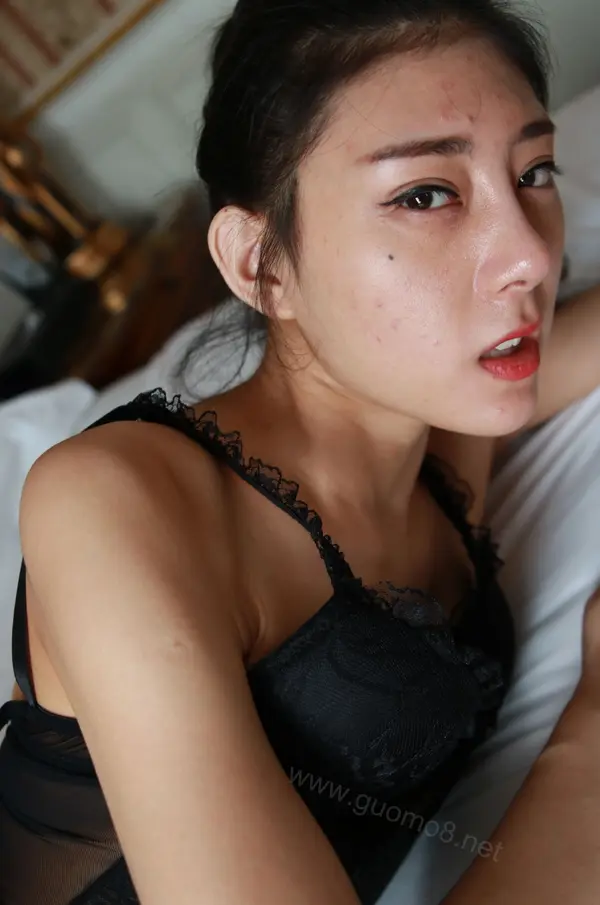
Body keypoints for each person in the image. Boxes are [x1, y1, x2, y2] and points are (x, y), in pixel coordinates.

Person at [1, 1, 600, 903]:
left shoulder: (439, 444)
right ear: (261, 264)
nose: (529, 257)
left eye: (535, 171)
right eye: (424, 195)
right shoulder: (115, 503)